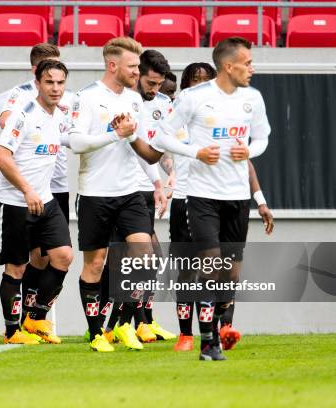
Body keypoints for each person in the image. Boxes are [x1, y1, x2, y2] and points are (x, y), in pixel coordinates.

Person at [130, 37, 270, 360]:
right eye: (247, 63)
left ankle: (221, 328)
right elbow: (163, 137)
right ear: (229, 66)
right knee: (205, 263)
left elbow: (262, 139)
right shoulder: (193, 99)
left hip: (236, 199)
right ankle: (205, 341)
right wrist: (195, 152)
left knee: (230, 271)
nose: (252, 68)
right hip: (200, 197)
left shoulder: (253, 99)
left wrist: (250, 150)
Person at [170, 62, 274, 352]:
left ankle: (223, 326)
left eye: (206, 79)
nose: (200, 84)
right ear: (185, 85)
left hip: (221, 200)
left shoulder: (224, 115)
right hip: (184, 200)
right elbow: (158, 153)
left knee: (226, 267)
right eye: (194, 80)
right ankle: (186, 334)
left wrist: (261, 200)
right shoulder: (174, 119)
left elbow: (244, 160)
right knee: (189, 271)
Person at [68, 37, 163, 352]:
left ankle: (122, 323)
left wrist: (157, 182)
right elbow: (75, 142)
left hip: (130, 192)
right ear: (113, 66)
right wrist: (112, 133)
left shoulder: (135, 101)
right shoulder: (87, 98)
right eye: (133, 66)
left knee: (145, 258)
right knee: (95, 264)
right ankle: (97, 334)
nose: (138, 71)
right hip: (95, 193)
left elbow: (143, 152)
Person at [0, 44, 72, 329]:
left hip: (45, 201)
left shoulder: (60, 116)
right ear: (36, 83)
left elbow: (79, 141)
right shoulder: (22, 114)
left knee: (62, 257)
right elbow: (1, 157)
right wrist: (26, 189)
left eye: (60, 83)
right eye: (49, 82)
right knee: (16, 268)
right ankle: (12, 331)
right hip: (15, 202)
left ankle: (35, 320)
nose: (55, 88)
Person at [99, 50, 176, 344]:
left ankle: (136, 322)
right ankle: (112, 326)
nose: (155, 89)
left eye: (160, 84)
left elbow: (157, 148)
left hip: (144, 191)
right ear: (137, 74)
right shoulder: (123, 103)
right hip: (121, 190)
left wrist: (166, 175)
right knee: (127, 261)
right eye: (151, 82)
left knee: (147, 261)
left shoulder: (160, 105)